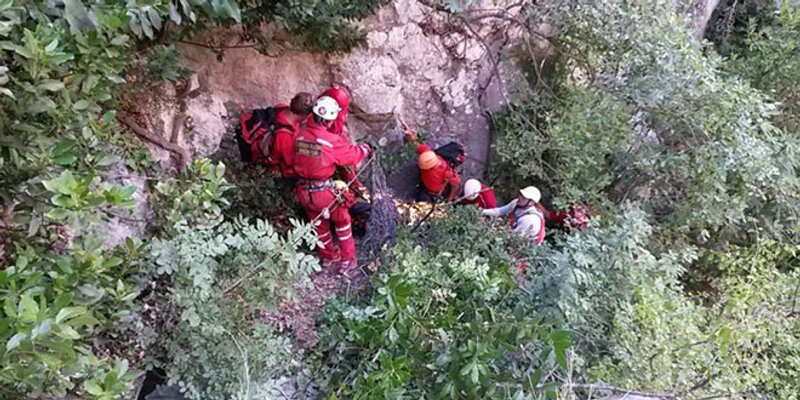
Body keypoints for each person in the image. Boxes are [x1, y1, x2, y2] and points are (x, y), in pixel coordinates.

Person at [292, 96, 372, 273]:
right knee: (342, 222)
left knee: (319, 226)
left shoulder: (300, 134)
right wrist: (366, 148)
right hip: (324, 193)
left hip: (304, 192)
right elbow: (351, 156)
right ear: (329, 119)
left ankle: (328, 257)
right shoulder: (330, 140)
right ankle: (348, 261)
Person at [404, 129, 462, 203]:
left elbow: (456, 185)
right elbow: (416, 145)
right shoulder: (427, 152)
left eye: (427, 170)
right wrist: (410, 136)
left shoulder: (447, 171)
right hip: (425, 188)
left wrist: (449, 201)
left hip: (436, 194)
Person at [269, 92, 314, 179]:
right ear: (304, 116)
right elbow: (291, 162)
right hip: (280, 167)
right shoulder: (284, 135)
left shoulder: (282, 108)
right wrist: (314, 150)